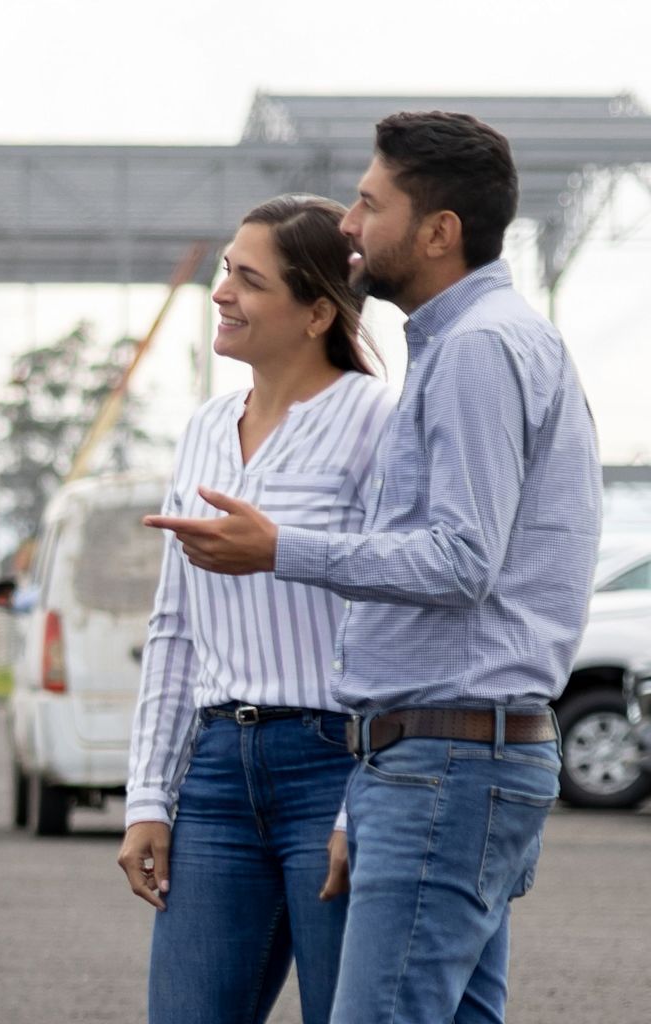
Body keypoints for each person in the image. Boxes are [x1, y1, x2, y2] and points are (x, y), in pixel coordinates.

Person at [143, 111, 601, 1023]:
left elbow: (463, 559)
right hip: (446, 755)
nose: (349, 224)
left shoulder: (473, 352)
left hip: (445, 759)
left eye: (369, 203)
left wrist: (283, 550)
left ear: (438, 232)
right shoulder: (472, 345)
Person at [116, 194, 392, 1023]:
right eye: (224, 271)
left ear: (316, 312)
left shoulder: (377, 422)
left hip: (333, 762)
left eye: (248, 278)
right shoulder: (203, 428)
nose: (220, 291)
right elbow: (174, 629)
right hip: (215, 775)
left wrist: (360, 805)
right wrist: (147, 799)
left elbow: (394, 617)